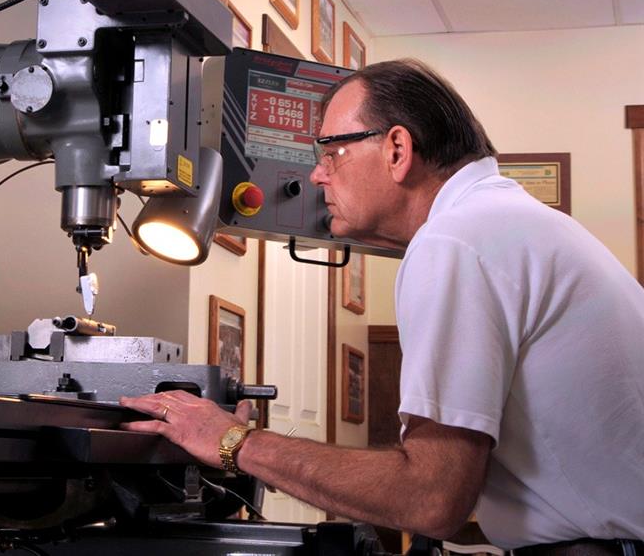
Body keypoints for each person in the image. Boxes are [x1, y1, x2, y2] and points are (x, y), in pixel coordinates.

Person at [122, 59, 644, 553]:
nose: (319, 176)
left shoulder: (455, 241)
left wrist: (233, 440)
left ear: (397, 149)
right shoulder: (503, 221)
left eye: (331, 152)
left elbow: (431, 497)